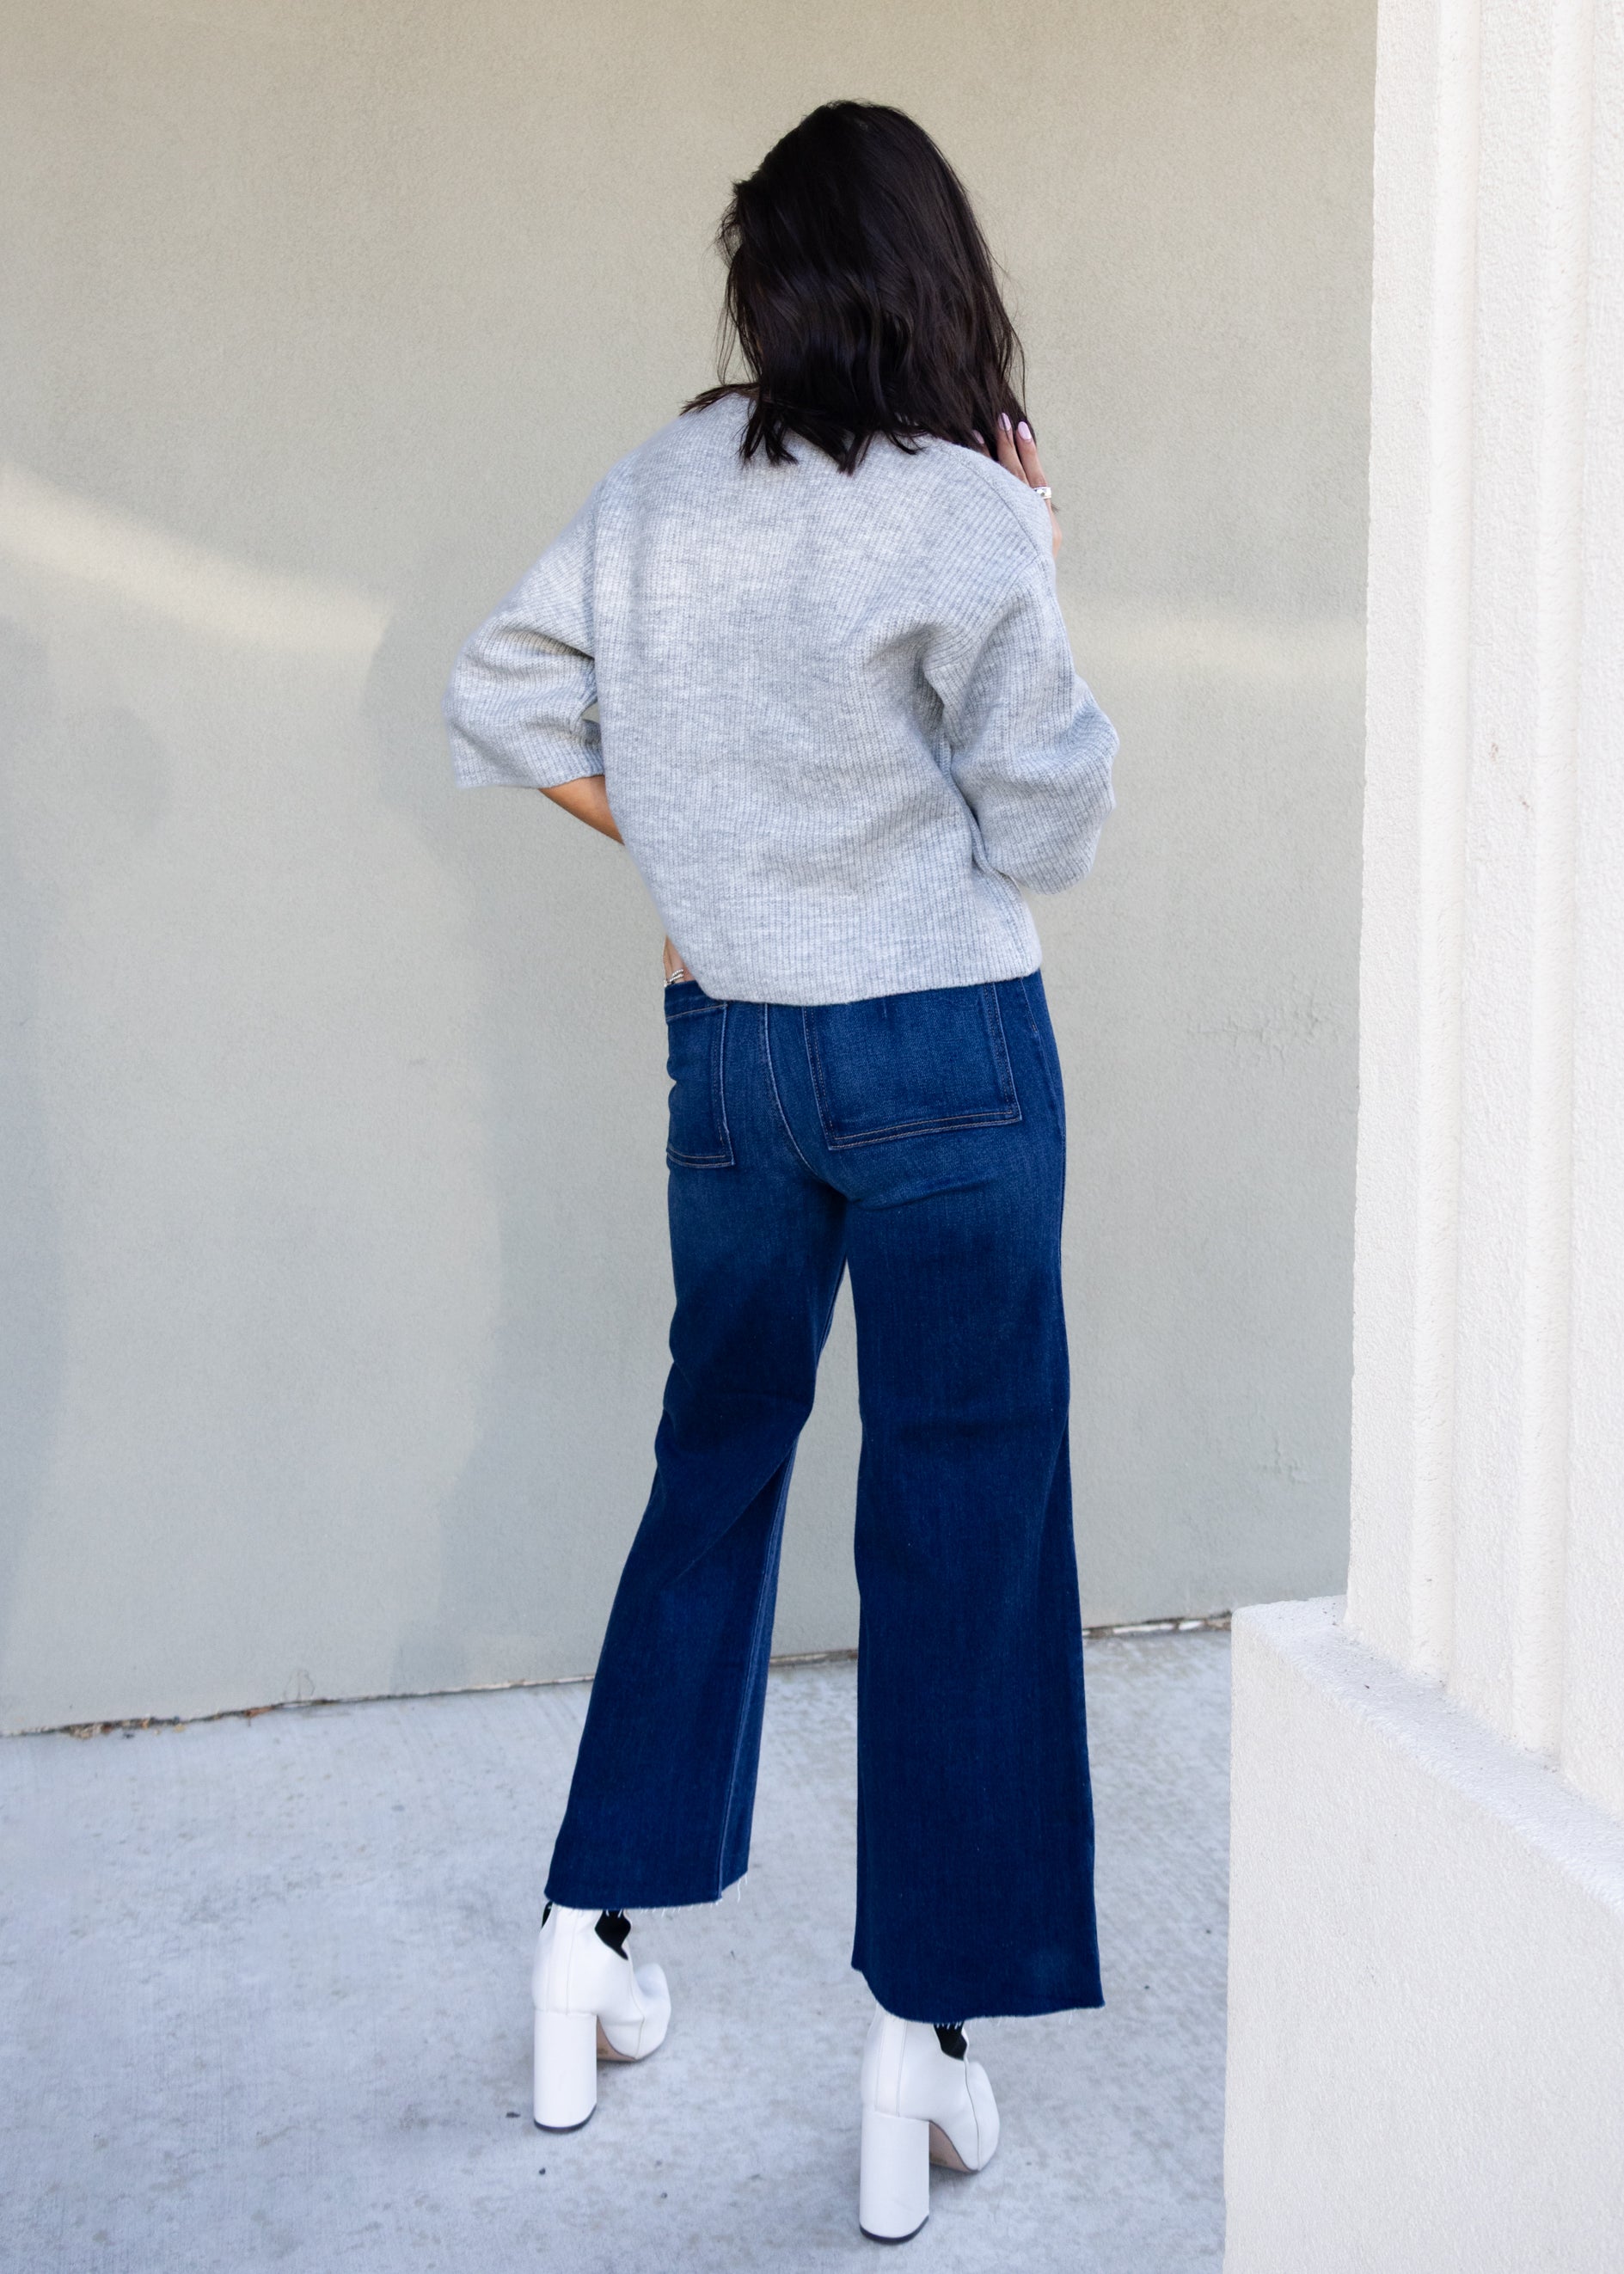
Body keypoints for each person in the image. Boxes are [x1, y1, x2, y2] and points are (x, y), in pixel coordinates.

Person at [443, 98, 1118, 2245]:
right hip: (942, 1060)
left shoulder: (659, 484)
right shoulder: (960, 506)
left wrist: (706, 856)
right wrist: (1044, 546)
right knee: (966, 1521)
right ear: (936, 279)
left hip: (732, 1053)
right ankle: (918, 2056)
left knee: (711, 1466)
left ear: (767, 283)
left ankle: (583, 1946)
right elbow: (1053, 825)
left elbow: (504, 697)